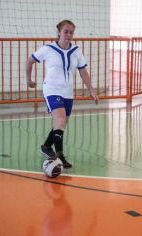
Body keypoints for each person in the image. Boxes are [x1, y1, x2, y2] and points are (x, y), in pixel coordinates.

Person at [26, 20, 98, 168]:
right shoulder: (48, 49)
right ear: (59, 32)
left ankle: (46, 147)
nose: (69, 34)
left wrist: (91, 89)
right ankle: (59, 157)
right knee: (60, 120)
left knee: (62, 123)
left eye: (71, 32)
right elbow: (30, 60)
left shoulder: (76, 51)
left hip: (68, 92)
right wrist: (29, 79)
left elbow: (83, 71)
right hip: (51, 89)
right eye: (66, 31)